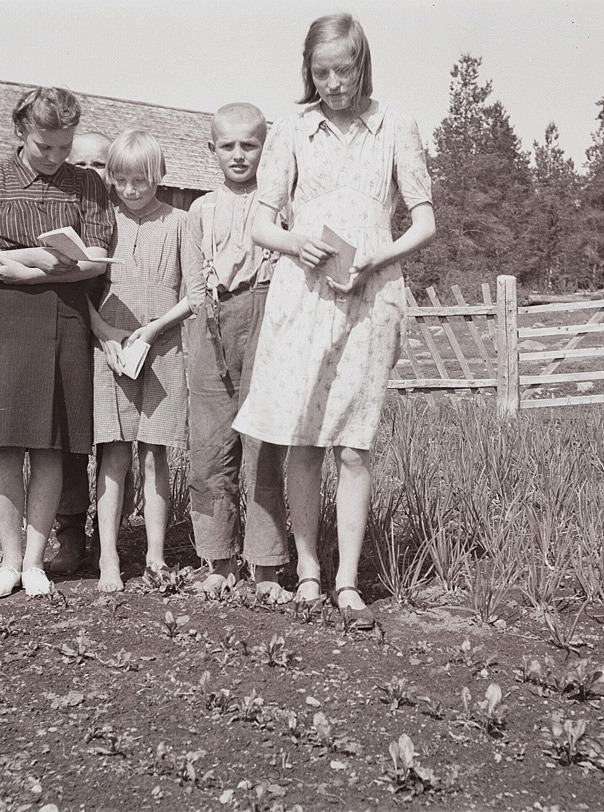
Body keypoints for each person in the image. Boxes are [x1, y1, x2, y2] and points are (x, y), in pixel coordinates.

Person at [233, 13, 436, 629]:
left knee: (352, 441)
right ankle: (308, 572)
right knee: (302, 437)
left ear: (362, 65)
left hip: (372, 297)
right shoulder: (293, 127)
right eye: (319, 72)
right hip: (303, 296)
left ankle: (348, 579)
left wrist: (381, 254)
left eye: (341, 71)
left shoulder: (395, 125)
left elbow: (426, 222)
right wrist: (297, 244)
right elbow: (261, 223)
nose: (331, 84)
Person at [0, 87, 113, 599]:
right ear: (22, 132)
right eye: (47, 146)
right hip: (4, 319)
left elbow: (98, 259)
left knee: (50, 445)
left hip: (64, 318)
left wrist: (48, 269)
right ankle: (8, 562)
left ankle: (37, 564)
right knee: (6, 442)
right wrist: (22, 263)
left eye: (64, 147)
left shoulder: (87, 185)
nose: (57, 156)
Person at [183, 103, 290, 601]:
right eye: (227, 146)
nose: (239, 155)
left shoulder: (280, 207)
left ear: (265, 150)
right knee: (208, 446)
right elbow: (189, 287)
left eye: (249, 145)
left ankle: (265, 565)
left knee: (263, 445)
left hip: (266, 315)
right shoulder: (199, 211)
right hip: (210, 322)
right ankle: (217, 559)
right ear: (212, 151)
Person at [90, 129, 192, 592]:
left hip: (163, 349)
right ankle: (108, 556)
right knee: (112, 453)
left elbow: (193, 294)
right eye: (123, 181)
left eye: (142, 182)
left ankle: (155, 557)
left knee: (155, 455)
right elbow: (82, 292)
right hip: (111, 352)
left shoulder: (180, 222)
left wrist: (154, 328)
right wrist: (104, 333)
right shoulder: (102, 222)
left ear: (159, 177)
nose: (131, 191)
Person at [46, 131, 115, 577]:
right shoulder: (65, 215)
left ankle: (115, 536)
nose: (91, 174)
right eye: (83, 165)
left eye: (101, 166)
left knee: (116, 442)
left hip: (121, 343)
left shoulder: (124, 218)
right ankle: (70, 535)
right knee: (71, 439)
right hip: (76, 334)